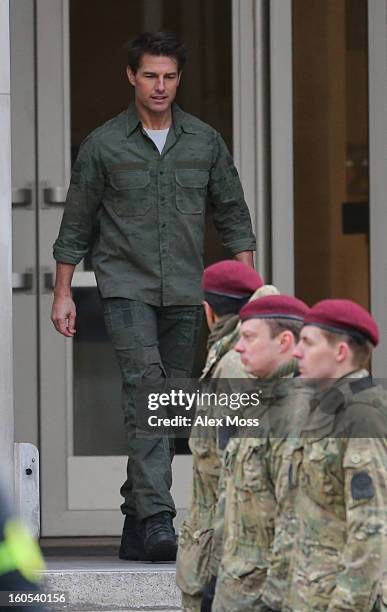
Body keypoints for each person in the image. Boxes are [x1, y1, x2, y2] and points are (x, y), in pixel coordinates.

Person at [50, 31, 256, 562]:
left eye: (168, 76)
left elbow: (233, 214)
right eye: (149, 75)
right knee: (148, 392)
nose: (159, 86)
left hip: (184, 291)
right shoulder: (104, 144)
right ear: (131, 77)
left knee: (164, 407)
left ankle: (136, 521)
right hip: (126, 289)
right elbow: (76, 221)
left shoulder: (205, 141)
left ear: (178, 79)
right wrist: (63, 292)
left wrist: (246, 292)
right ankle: (161, 518)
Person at [176, 260, 277, 611]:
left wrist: (219, 571)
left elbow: (235, 479)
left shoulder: (235, 365)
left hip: (223, 552)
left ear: (208, 310)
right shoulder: (230, 357)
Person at [209, 295, 310, 612]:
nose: (239, 347)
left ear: (283, 342)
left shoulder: (297, 415)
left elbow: (295, 524)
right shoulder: (261, 404)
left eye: (249, 338)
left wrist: (272, 602)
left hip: (265, 596)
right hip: (237, 589)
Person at [285, 299, 387, 611]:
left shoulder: (361, 414)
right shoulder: (323, 409)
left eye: (308, 342)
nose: (297, 352)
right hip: (310, 595)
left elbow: (370, 529)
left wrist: (345, 606)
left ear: (341, 353)